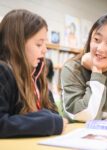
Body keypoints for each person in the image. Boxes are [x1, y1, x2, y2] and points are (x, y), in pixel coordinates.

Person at [0, 9, 68, 138]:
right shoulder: (3, 72)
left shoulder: (36, 73)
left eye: (45, 43)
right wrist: (47, 122)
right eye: (39, 44)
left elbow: (55, 115)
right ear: (17, 44)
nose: (45, 50)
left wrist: (51, 121)